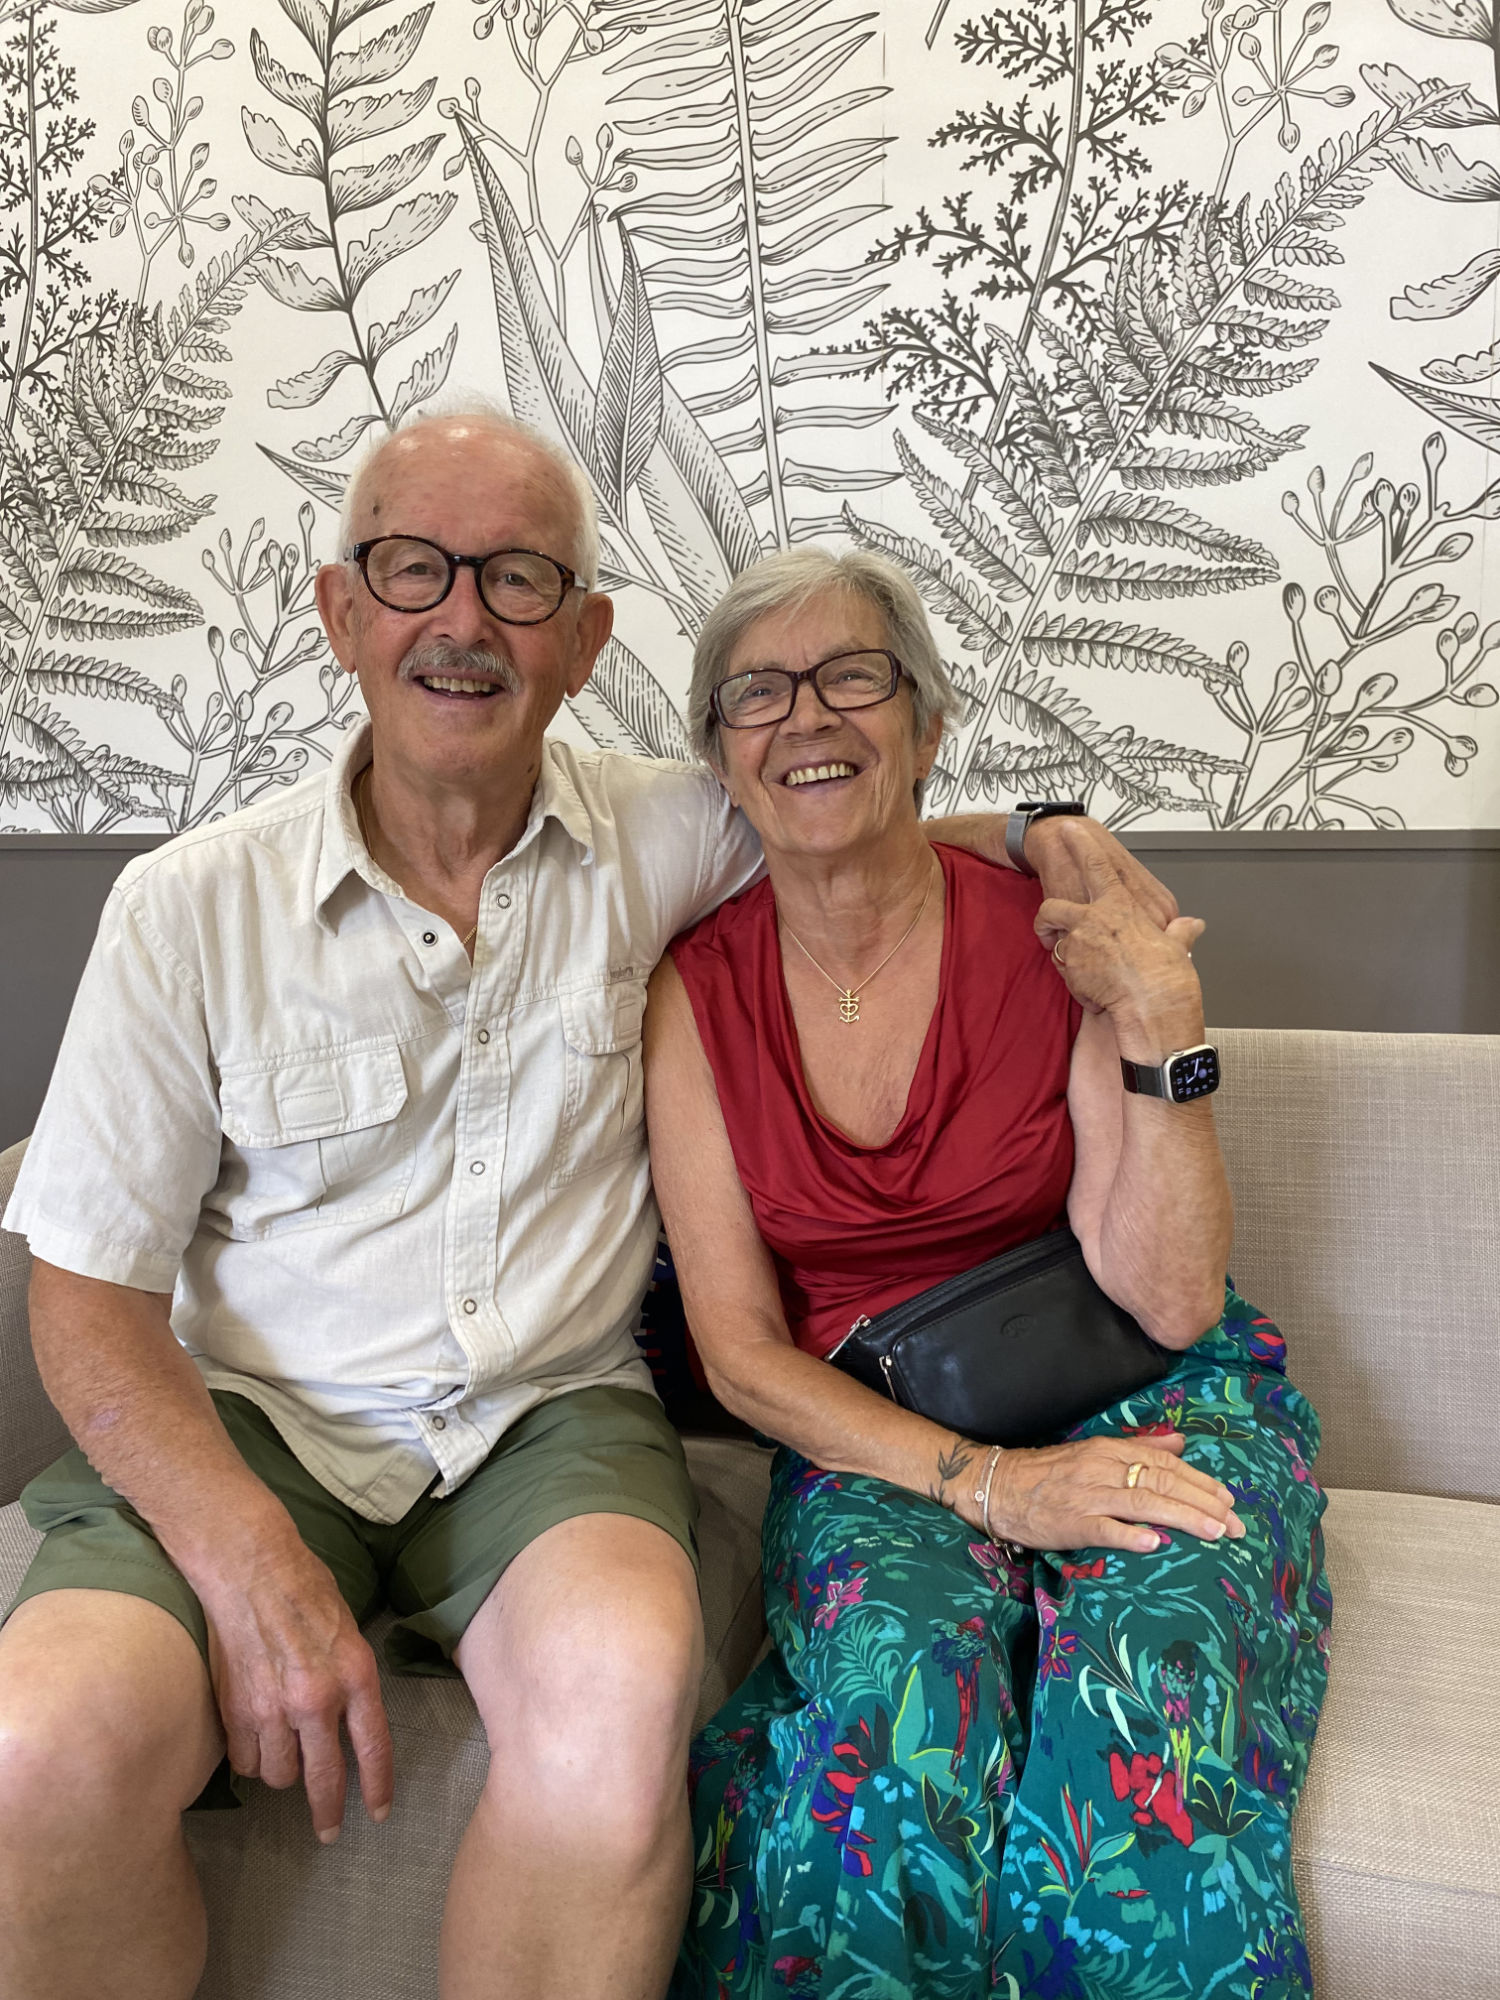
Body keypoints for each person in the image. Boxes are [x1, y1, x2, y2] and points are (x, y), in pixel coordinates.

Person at [0, 407, 1178, 2000]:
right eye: (415, 569)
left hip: (546, 1419)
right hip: (252, 1418)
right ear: (343, 612)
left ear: (583, 640)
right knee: (39, 1745)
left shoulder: (664, 833)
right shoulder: (186, 909)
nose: (464, 618)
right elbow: (84, 1297)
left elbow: (853, 810)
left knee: (626, 1693)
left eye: (521, 579)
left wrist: (1044, 832)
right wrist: (241, 1557)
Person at [645, 548, 1332, 1999]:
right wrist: (989, 1486)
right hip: (884, 1442)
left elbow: (1170, 1302)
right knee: (893, 1730)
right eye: (757, 693)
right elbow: (741, 1354)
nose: (806, 719)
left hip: (1148, 1392)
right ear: (718, 754)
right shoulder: (691, 989)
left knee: (1145, 1703)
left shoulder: (1052, 934)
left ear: (925, 723)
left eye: (853, 677)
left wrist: (1163, 1027)